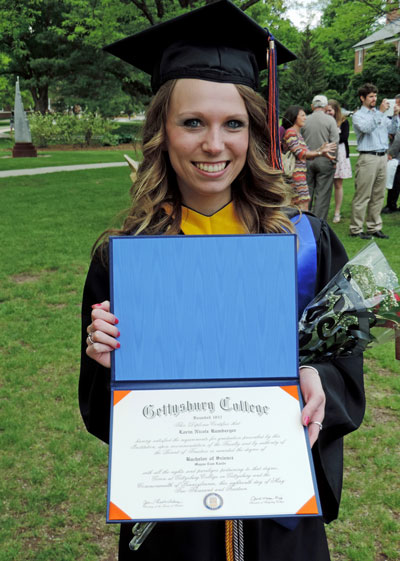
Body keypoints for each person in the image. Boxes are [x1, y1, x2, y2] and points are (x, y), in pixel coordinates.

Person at [79, 2, 365, 560]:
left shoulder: (306, 243)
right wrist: (106, 362)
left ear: (254, 130)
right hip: (174, 524)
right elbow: (100, 413)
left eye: (233, 123)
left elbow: (345, 371)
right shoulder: (125, 258)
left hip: (278, 514)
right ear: (161, 130)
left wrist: (317, 382)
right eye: (193, 123)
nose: (215, 145)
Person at [350, 83, 399, 239]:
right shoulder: (358, 115)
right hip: (368, 157)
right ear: (362, 98)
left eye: (375, 96)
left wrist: (396, 116)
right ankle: (356, 229)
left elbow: (391, 130)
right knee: (363, 195)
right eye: (371, 96)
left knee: (378, 195)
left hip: (382, 156)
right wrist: (381, 113)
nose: (374, 99)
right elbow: (366, 128)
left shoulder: (380, 114)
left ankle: (374, 227)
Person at [281, 105, 336, 211]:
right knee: (301, 205)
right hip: (295, 176)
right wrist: (320, 152)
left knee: (301, 204)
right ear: (294, 117)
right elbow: (301, 153)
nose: (305, 118)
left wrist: (321, 150)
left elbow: (307, 154)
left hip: (300, 175)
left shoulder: (298, 134)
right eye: (302, 115)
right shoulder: (290, 133)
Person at [301, 95, 340, 221]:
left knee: (306, 193)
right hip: (325, 160)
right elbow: (334, 142)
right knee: (322, 194)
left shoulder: (305, 119)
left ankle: (305, 220)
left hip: (307, 160)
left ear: (312, 106)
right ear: (325, 107)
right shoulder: (330, 120)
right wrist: (334, 160)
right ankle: (318, 222)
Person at [326, 99, 352, 223]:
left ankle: (337, 211)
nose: (328, 113)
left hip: (340, 154)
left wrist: (331, 139)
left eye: (330, 110)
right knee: (324, 184)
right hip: (326, 153)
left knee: (338, 184)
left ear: (336, 110)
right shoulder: (324, 122)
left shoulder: (344, 122)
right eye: (326, 111)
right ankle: (322, 211)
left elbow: (344, 137)